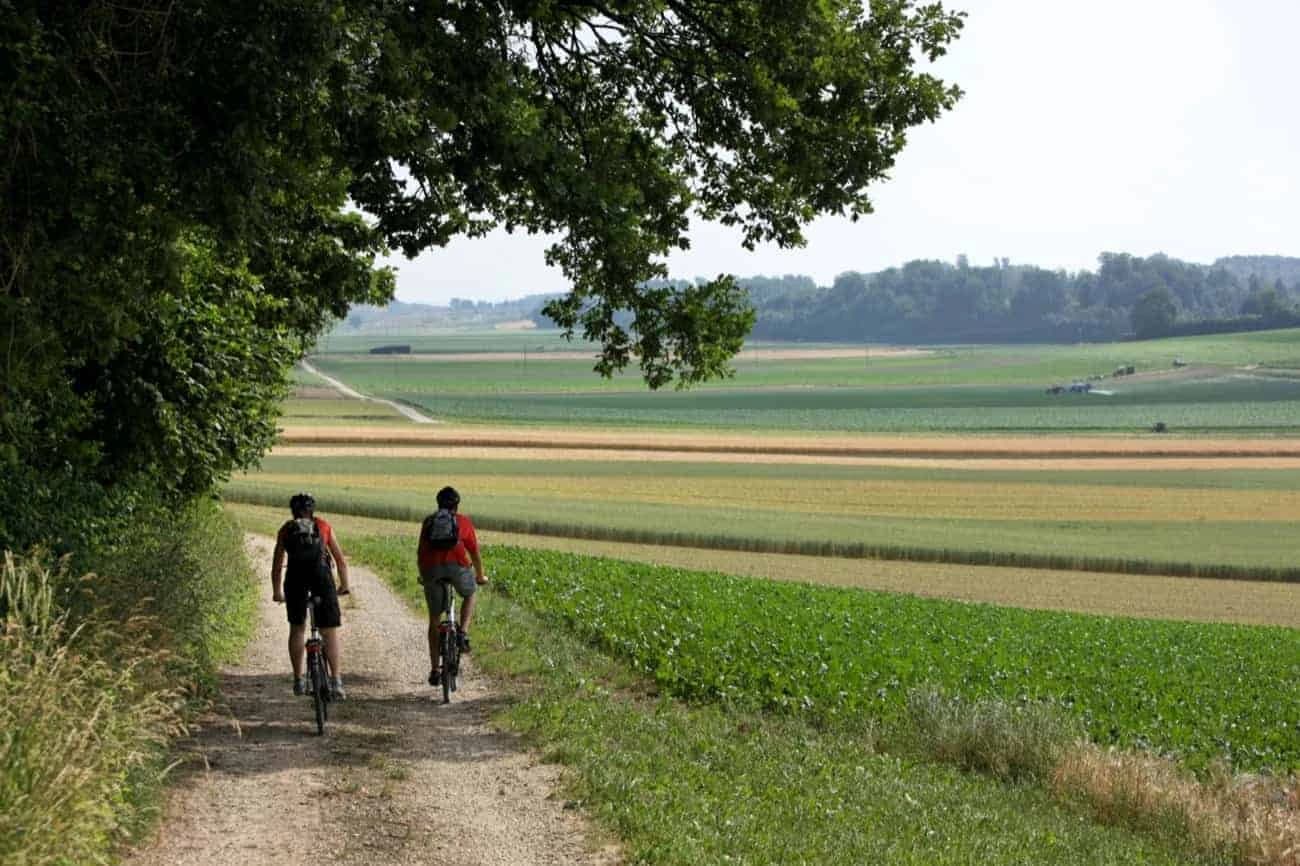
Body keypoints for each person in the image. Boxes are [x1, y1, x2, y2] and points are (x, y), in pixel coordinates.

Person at [271, 492, 352, 699]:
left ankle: (298, 679)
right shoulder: (323, 526)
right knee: (329, 632)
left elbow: (277, 565)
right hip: (321, 578)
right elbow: (340, 561)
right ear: (312, 510)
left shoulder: (286, 530)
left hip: (295, 579)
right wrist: (344, 585)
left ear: (293, 511)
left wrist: (277, 592)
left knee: (297, 629)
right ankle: (336, 681)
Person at [417, 486, 487, 686]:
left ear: (438, 503)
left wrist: (424, 575)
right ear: (457, 505)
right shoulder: (463, 522)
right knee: (471, 592)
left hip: (431, 569)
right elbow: (474, 553)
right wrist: (480, 576)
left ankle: (434, 669)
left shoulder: (429, 522)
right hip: (457, 567)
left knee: (434, 619)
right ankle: (462, 633)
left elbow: (420, 552)